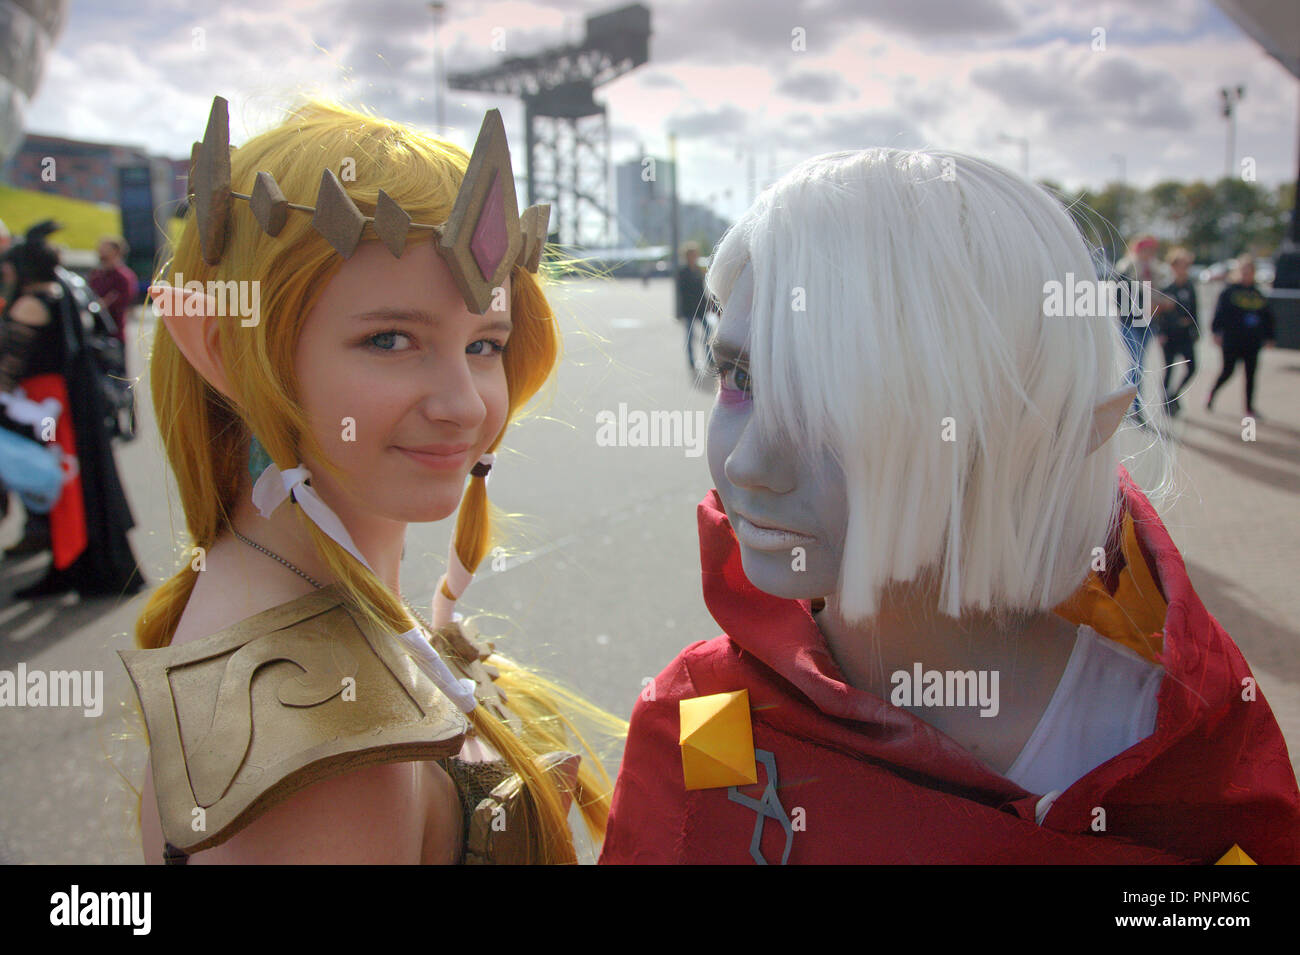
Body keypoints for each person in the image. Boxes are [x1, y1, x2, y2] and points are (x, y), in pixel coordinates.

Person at [599, 149, 1300, 864]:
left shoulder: (1183, 761)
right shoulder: (698, 721)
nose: (746, 462)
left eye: (839, 400)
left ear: (1033, 434)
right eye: (740, 374)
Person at [123, 96, 620, 864]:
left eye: (485, 343)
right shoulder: (331, 760)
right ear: (226, 353)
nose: (463, 405)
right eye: (390, 339)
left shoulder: (273, 603)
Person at [0, 220, 144, 597]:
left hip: (46, 407)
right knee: (70, 489)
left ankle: (70, 564)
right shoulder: (64, 290)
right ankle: (72, 563)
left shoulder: (32, 302)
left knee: (64, 492)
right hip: (64, 404)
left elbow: (8, 363)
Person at [1206, 255, 1275, 417]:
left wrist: (1270, 337)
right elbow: (1219, 313)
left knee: (1251, 375)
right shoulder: (1229, 292)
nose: (1247, 275)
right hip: (1232, 340)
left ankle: (1249, 408)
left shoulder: (1258, 294)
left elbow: (1268, 317)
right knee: (1227, 371)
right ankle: (1211, 395)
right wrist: (1216, 332)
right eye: (1244, 272)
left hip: (1252, 341)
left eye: (1250, 272)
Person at [1112, 235, 1169, 429]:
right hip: (1130, 321)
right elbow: (1120, 296)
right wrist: (1140, 304)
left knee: (1138, 366)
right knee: (1137, 364)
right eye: (1146, 250)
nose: (1148, 255)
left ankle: (1120, 402)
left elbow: (1163, 295)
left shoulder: (1156, 272)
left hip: (1149, 323)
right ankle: (1134, 408)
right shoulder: (1127, 268)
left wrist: (1159, 304)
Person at [1153, 246, 1198, 417]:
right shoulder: (1166, 288)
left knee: (1192, 367)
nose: (1184, 269)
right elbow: (1159, 314)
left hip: (1186, 334)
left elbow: (1195, 310)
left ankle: (1174, 395)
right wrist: (1160, 332)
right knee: (1169, 370)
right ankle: (1166, 402)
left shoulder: (1189, 286)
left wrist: (1195, 329)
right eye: (1181, 265)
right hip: (1170, 335)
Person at [88, 236, 138, 345]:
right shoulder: (96, 275)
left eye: (105, 250)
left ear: (116, 252)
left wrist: (104, 303)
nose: (101, 253)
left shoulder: (124, 276)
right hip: (95, 334)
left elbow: (123, 301)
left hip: (114, 334)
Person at [676, 241, 708, 371]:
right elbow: (682, 293)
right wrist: (680, 312)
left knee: (709, 332)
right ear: (687, 256)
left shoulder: (699, 270)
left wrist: (707, 304)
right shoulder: (683, 272)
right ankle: (691, 361)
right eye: (693, 254)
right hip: (689, 309)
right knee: (690, 336)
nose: (695, 257)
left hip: (701, 309)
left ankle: (710, 358)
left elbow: (702, 290)